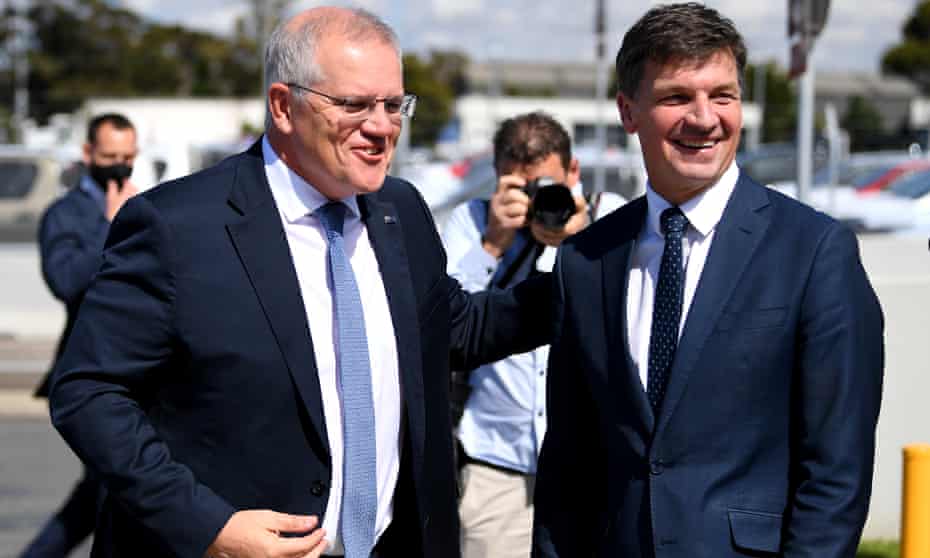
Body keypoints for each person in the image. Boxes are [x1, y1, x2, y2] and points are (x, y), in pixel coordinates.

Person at [48, 7, 550, 558]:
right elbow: (89, 392)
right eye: (354, 105)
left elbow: (454, 328)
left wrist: (589, 277)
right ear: (283, 106)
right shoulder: (177, 227)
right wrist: (207, 526)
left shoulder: (400, 211)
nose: (382, 127)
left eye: (393, 105)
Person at [532, 3, 884, 557]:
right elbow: (567, 466)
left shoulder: (814, 252)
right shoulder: (586, 260)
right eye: (677, 97)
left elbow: (836, 473)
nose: (704, 118)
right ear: (628, 111)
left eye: (722, 95)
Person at [441, 111, 624, 558]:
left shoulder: (609, 215)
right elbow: (446, 326)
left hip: (590, 464)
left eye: (546, 186)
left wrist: (583, 243)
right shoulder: (473, 221)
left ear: (573, 171)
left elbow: (628, 311)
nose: (536, 201)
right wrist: (492, 244)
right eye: (521, 189)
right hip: (495, 464)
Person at [20, 113, 139, 558]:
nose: (120, 167)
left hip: (139, 370)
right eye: (110, 157)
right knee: (116, 487)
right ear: (88, 154)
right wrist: (113, 227)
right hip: (90, 373)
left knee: (106, 490)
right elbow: (66, 280)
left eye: (127, 157)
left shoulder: (144, 205)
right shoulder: (65, 214)